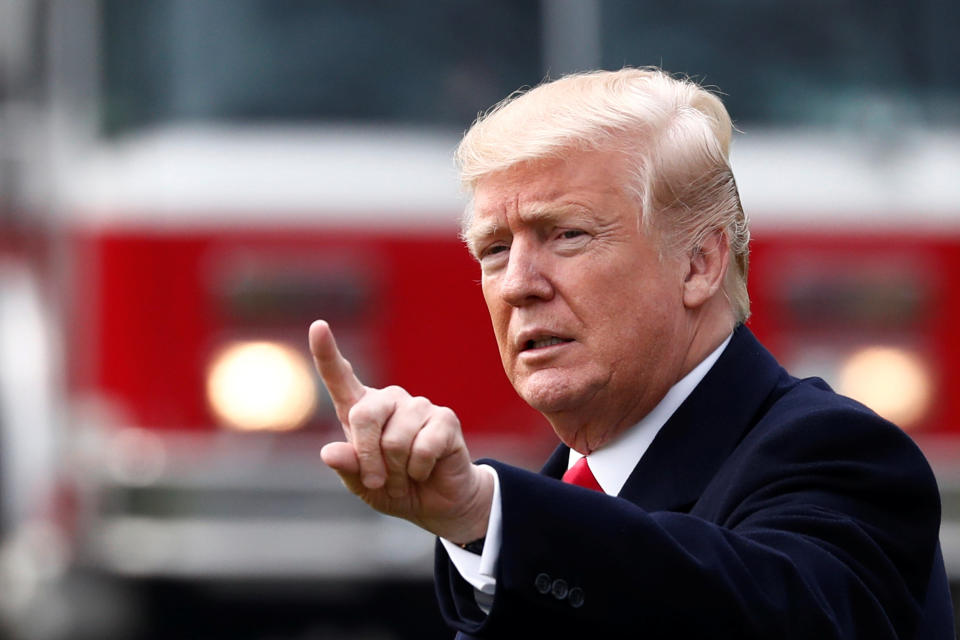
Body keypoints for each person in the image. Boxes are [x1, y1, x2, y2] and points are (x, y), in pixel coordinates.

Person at [309, 68, 953, 638]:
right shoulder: (557, 495)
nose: (518, 285)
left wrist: (486, 514)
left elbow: (771, 614)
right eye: (495, 249)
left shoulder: (839, 454)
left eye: (567, 234)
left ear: (699, 263)